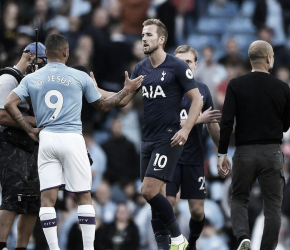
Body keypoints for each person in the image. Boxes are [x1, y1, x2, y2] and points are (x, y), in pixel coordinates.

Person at [4, 33, 143, 250]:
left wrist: (29, 128)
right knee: (84, 197)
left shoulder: (32, 78)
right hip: (72, 137)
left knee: (47, 200)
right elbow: (105, 106)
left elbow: (10, 104)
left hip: (46, 139)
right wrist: (127, 90)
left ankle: (54, 248)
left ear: (47, 54)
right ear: (66, 52)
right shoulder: (78, 75)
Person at [91, 19, 203, 249]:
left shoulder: (177, 67)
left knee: (147, 190)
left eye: (149, 34)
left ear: (161, 39)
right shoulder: (140, 68)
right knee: (155, 197)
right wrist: (97, 90)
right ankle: (164, 246)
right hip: (147, 139)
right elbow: (123, 101)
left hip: (169, 137)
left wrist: (186, 128)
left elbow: (197, 99)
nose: (143, 38)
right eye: (142, 34)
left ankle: (178, 238)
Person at [217, 40, 290, 250]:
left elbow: (226, 122)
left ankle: (243, 237)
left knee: (239, 198)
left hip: (244, 152)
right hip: (272, 153)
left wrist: (222, 152)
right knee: (273, 207)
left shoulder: (235, 85)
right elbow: (286, 125)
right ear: (269, 58)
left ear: (250, 59)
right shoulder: (282, 87)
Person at [164, 45, 224, 250]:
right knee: (168, 205)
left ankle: (192, 244)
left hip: (194, 158)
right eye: (179, 61)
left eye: (188, 61)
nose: (183, 65)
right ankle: (174, 242)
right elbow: (165, 124)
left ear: (195, 65)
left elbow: (212, 124)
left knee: (198, 211)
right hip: (169, 157)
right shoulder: (165, 89)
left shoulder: (203, 90)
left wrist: (222, 152)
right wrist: (199, 119)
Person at [0, 42, 46, 250]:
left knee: (32, 199)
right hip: (9, 145)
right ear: (28, 56)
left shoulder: (33, 83)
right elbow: (1, 115)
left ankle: (21, 247)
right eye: (39, 63)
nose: (40, 69)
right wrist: (33, 123)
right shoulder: (8, 79)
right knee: (13, 195)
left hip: (29, 146)